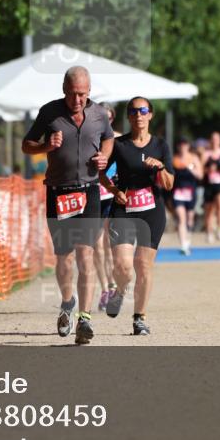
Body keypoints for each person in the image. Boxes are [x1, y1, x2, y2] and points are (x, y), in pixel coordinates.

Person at [21, 66, 113, 344]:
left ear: (89, 91)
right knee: (64, 257)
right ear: (64, 90)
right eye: (73, 94)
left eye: (83, 94)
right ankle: (67, 303)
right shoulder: (49, 112)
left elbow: (108, 138)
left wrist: (104, 158)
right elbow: (26, 144)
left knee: (86, 254)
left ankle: (85, 319)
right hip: (59, 193)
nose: (77, 100)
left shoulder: (98, 114)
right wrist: (45, 147)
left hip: (89, 191)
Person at [100, 97, 174, 335]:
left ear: (150, 115)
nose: (138, 115)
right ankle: (119, 292)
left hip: (152, 210)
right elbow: (101, 174)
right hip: (124, 208)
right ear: (129, 116)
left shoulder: (161, 145)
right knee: (123, 266)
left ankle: (139, 318)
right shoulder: (119, 144)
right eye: (133, 111)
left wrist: (161, 167)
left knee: (143, 265)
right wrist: (113, 191)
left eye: (143, 110)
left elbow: (170, 184)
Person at [95, 103, 120, 310]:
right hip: (93, 194)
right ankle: (104, 289)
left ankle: (112, 285)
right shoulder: (88, 137)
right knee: (96, 245)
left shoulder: (120, 139)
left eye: (109, 118)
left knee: (110, 245)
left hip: (111, 195)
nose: (106, 122)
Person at [171, 138, 203, 256]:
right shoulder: (174, 159)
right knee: (181, 218)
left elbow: (200, 176)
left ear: (188, 146)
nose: (182, 147)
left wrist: (190, 168)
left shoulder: (194, 158)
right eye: (180, 144)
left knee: (190, 219)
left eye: (185, 144)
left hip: (190, 192)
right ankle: (183, 245)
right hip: (178, 193)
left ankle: (188, 240)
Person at [202, 132, 220, 242]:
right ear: (211, 141)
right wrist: (209, 170)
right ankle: (209, 232)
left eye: (217, 139)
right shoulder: (206, 154)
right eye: (213, 139)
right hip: (209, 184)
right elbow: (201, 169)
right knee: (209, 210)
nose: (215, 141)